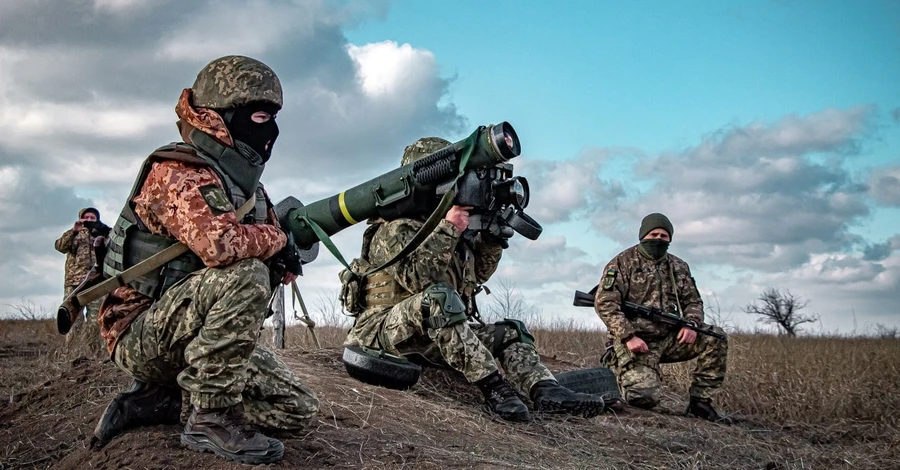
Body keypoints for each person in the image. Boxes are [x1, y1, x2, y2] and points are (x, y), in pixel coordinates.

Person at [92, 55, 318, 464]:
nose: (269, 131)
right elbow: (222, 246)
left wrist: (281, 261)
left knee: (298, 410)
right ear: (221, 116)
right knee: (246, 274)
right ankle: (211, 417)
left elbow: (261, 243)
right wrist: (276, 240)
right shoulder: (177, 171)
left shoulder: (244, 183)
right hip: (139, 332)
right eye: (260, 117)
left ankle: (164, 398)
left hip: (187, 331)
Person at [343, 137, 607, 422]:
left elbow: (476, 275)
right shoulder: (394, 229)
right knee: (439, 298)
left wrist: (492, 240)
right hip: (381, 332)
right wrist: (449, 228)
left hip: (430, 337)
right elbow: (420, 280)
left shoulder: (453, 226)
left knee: (511, 330)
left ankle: (546, 390)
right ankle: (495, 387)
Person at [594, 213, 729, 422]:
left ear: (670, 239)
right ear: (642, 236)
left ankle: (701, 403)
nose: (658, 239)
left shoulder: (678, 266)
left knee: (715, 337)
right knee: (644, 397)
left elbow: (693, 302)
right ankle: (624, 373)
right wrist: (628, 336)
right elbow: (605, 302)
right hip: (636, 342)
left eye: (664, 236)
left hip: (670, 338)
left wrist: (692, 324)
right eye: (653, 234)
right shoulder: (622, 263)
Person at [54, 207, 106, 355]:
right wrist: (74, 230)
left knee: (95, 321)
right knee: (73, 321)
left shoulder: (102, 235)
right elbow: (59, 247)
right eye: (86, 218)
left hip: (96, 283)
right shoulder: (74, 234)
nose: (89, 221)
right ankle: (71, 354)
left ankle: (94, 355)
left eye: (92, 218)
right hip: (74, 283)